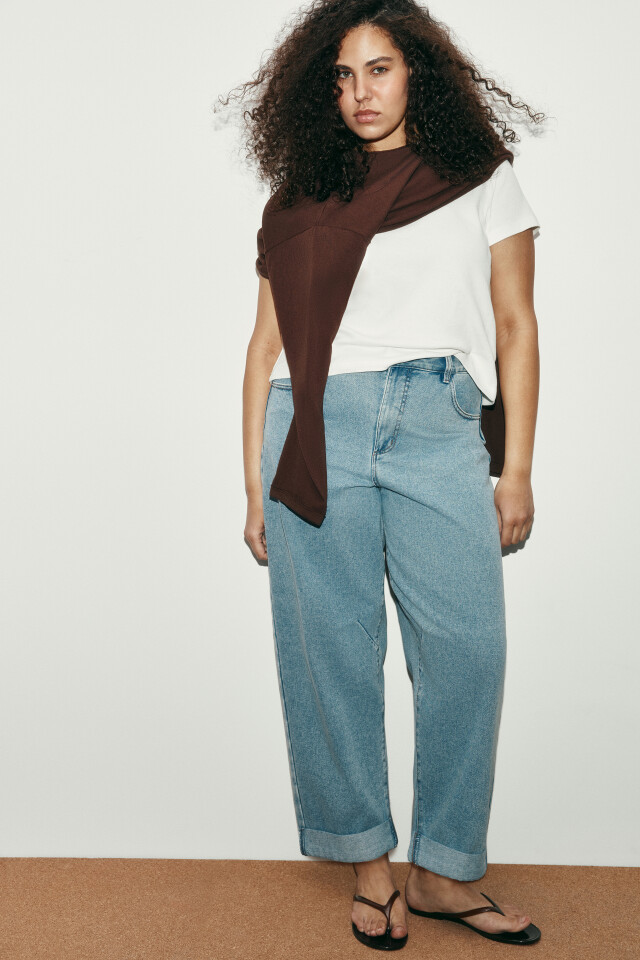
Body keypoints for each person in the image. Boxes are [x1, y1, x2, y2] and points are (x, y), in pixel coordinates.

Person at [236, 0, 545, 949]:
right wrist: (251, 485)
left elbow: (517, 326)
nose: (359, 92)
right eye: (342, 75)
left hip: (437, 423)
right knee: (330, 653)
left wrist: (517, 469)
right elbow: (263, 349)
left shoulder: (481, 178)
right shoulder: (299, 196)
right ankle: (369, 865)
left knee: (467, 650)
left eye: (379, 69)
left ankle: (445, 870)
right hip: (313, 424)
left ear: (419, 73)